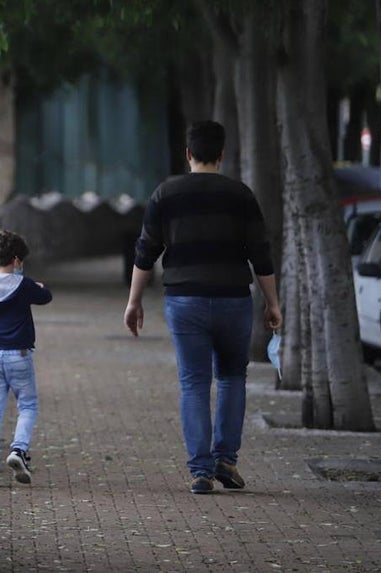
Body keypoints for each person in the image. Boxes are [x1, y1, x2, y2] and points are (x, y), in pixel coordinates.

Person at [123, 120, 283, 495]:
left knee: (194, 382)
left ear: (188, 154)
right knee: (232, 378)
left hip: (184, 299)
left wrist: (133, 302)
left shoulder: (166, 194)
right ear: (221, 154)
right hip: (233, 299)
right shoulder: (240, 195)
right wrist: (272, 303)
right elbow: (261, 254)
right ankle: (226, 459)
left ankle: (200, 472)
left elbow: (145, 251)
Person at [0, 229, 53, 487]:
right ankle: (19, 450)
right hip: (19, 355)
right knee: (28, 406)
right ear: (17, 261)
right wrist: (38, 286)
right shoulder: (24, 285)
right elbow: (45, 296)